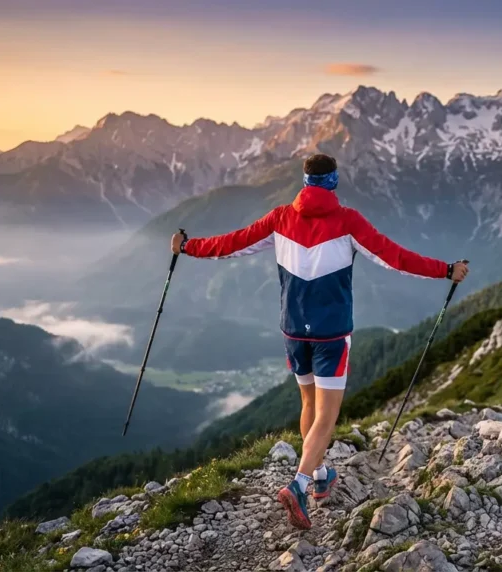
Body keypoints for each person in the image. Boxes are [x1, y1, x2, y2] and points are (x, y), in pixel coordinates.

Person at [171, 154, 468, 530]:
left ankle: (321, 475)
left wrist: (187, 246)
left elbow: (230, 244)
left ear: (305, 181)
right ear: (334, 181)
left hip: (293, 331)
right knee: (326, 416)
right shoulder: (348, 221)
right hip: (332, 334)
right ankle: (298, 486)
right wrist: (445, 270)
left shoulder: (280, 217)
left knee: (308, 404)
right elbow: (395, 258)